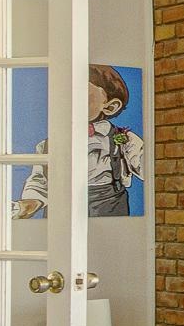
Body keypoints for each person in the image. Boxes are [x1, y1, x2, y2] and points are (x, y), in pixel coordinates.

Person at [14, 65, 144, 218]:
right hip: (63, 207)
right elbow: (40, 181)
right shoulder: (49, 144)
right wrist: (30, 203)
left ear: (110, 107)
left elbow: (149, 169)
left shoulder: (124, 139)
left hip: (108, 205)